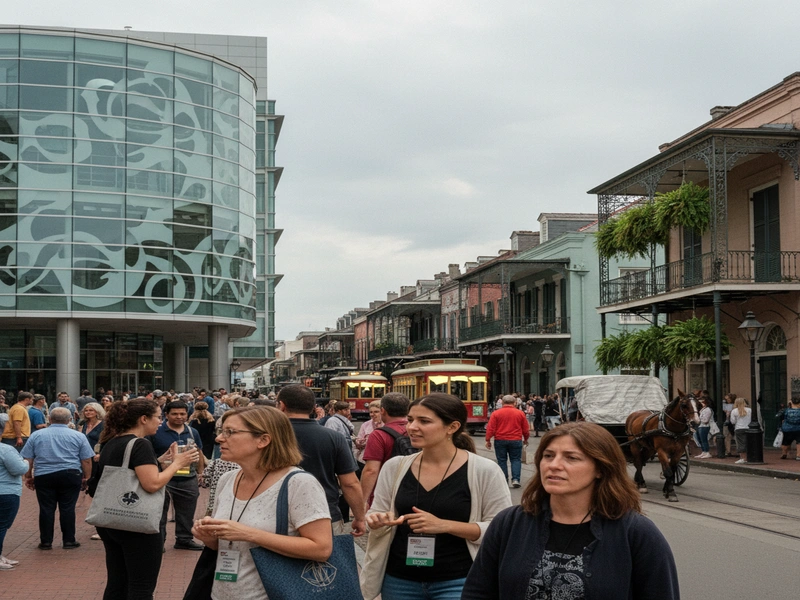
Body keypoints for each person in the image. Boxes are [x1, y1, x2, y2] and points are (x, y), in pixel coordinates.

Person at [461, 422, 680, 600]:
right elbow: (478, 592)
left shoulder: (636, 533)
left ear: (601, 469)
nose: (554, 465)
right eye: (548, 456)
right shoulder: (509, 523)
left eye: (571, 458)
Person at [361, 393, 512, 600]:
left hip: (458, 581)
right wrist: (375, 520)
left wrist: (445, 525)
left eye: (424, 421)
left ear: (452, 427)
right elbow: (376, 512)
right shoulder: (394, 467)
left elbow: (501, 530)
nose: (412, 427)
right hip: (399, 580)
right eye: (411, 420)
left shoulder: (484, 470)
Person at [192, 406, 333, 600]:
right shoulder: (228, 479)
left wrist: (247, 533)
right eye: (221, 431)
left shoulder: (299, 483)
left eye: (230, 432)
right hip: (221, 594)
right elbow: (225, 545)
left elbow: (322, 548)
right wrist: (208, 536)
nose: (219, 439)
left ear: (263, 440)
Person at [94, 397, 199, 599]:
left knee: (117, 582)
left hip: (112, 519)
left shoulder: (113, 441)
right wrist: (178, 463)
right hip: (137, 524)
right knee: (141, 586)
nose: (160, 422)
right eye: (158, 417)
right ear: (144, 419)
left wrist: (160, 461)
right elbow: (152, 484)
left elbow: (132, 470)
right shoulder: (140, 444)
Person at [277, 384, 366, 536]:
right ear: (313, 407)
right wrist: (359, 517)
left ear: (281, 405)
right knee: (327, 558)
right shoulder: (334, 437)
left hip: (277, 513)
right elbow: (350, 483)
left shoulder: (267, 436)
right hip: (325, 512)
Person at [21, 407, 95, 550]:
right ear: (69, 420)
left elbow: (28, 458)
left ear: (49, 419)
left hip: (44, 475)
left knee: (46, 508)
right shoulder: (78, 436)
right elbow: (86, 460)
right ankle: (69, 540)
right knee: (68, 508)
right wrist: (87, 477)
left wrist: (28, 476)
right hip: (70, 474)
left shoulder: (37, 435)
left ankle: (46, 541)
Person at [147, 400, 205, 550]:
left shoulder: (193, 432)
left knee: (186, 511)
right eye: (174, 414)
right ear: (166, 415)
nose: (179, 417)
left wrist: (200, 472)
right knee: (159, 512)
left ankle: (184, 539)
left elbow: (199, 451)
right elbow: (148, 454)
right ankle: (158, 542)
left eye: (182, 414)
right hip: (163, 478)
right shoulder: (155, 431)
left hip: (188, 477)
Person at [361, 392, 411, 506]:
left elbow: (371, 471)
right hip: (412, 490)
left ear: (382, 410)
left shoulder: (379, 435)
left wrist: (362, 501)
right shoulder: (415, 430)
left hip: (384, 492)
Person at [485, 395, 530, 488]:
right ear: (515, 403)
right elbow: (525, 428)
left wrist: (488, 439)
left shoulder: (496, 413)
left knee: (502, 460)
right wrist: (525, 439)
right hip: (515, 439)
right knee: (516, 459)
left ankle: (503, 479)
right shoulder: (520, 413)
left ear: (502, 402)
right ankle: (515, 479)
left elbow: (491, 428)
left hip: (500, 439)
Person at [0, 439, 28, 568]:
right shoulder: (5, 449)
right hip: (5, 491)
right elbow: (19, 469)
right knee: (2, 525)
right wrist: (26, 462)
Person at [355, 400, 382, 466]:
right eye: (371, 412)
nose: (373, 414)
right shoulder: (365, 425)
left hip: (381, 459)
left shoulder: (387, 424)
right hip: (365, 459)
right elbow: (358, 440)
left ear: (382, 411)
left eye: (376, 412)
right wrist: (359, 442)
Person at [730, 397, 751, 464]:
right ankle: (748, 457)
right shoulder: (749, 410)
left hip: (739, 428)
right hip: (748, 428)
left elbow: (733, 421)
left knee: (740, 444)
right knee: (748, 443)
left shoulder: (734, 411)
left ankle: (743, 458)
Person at [778, 395, 800, 460]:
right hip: (798, 428)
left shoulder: (786, 410)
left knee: (785, 442)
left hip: (787, 429)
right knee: (799, 442)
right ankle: (798, 455)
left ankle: (784, 453)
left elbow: (779, 416)